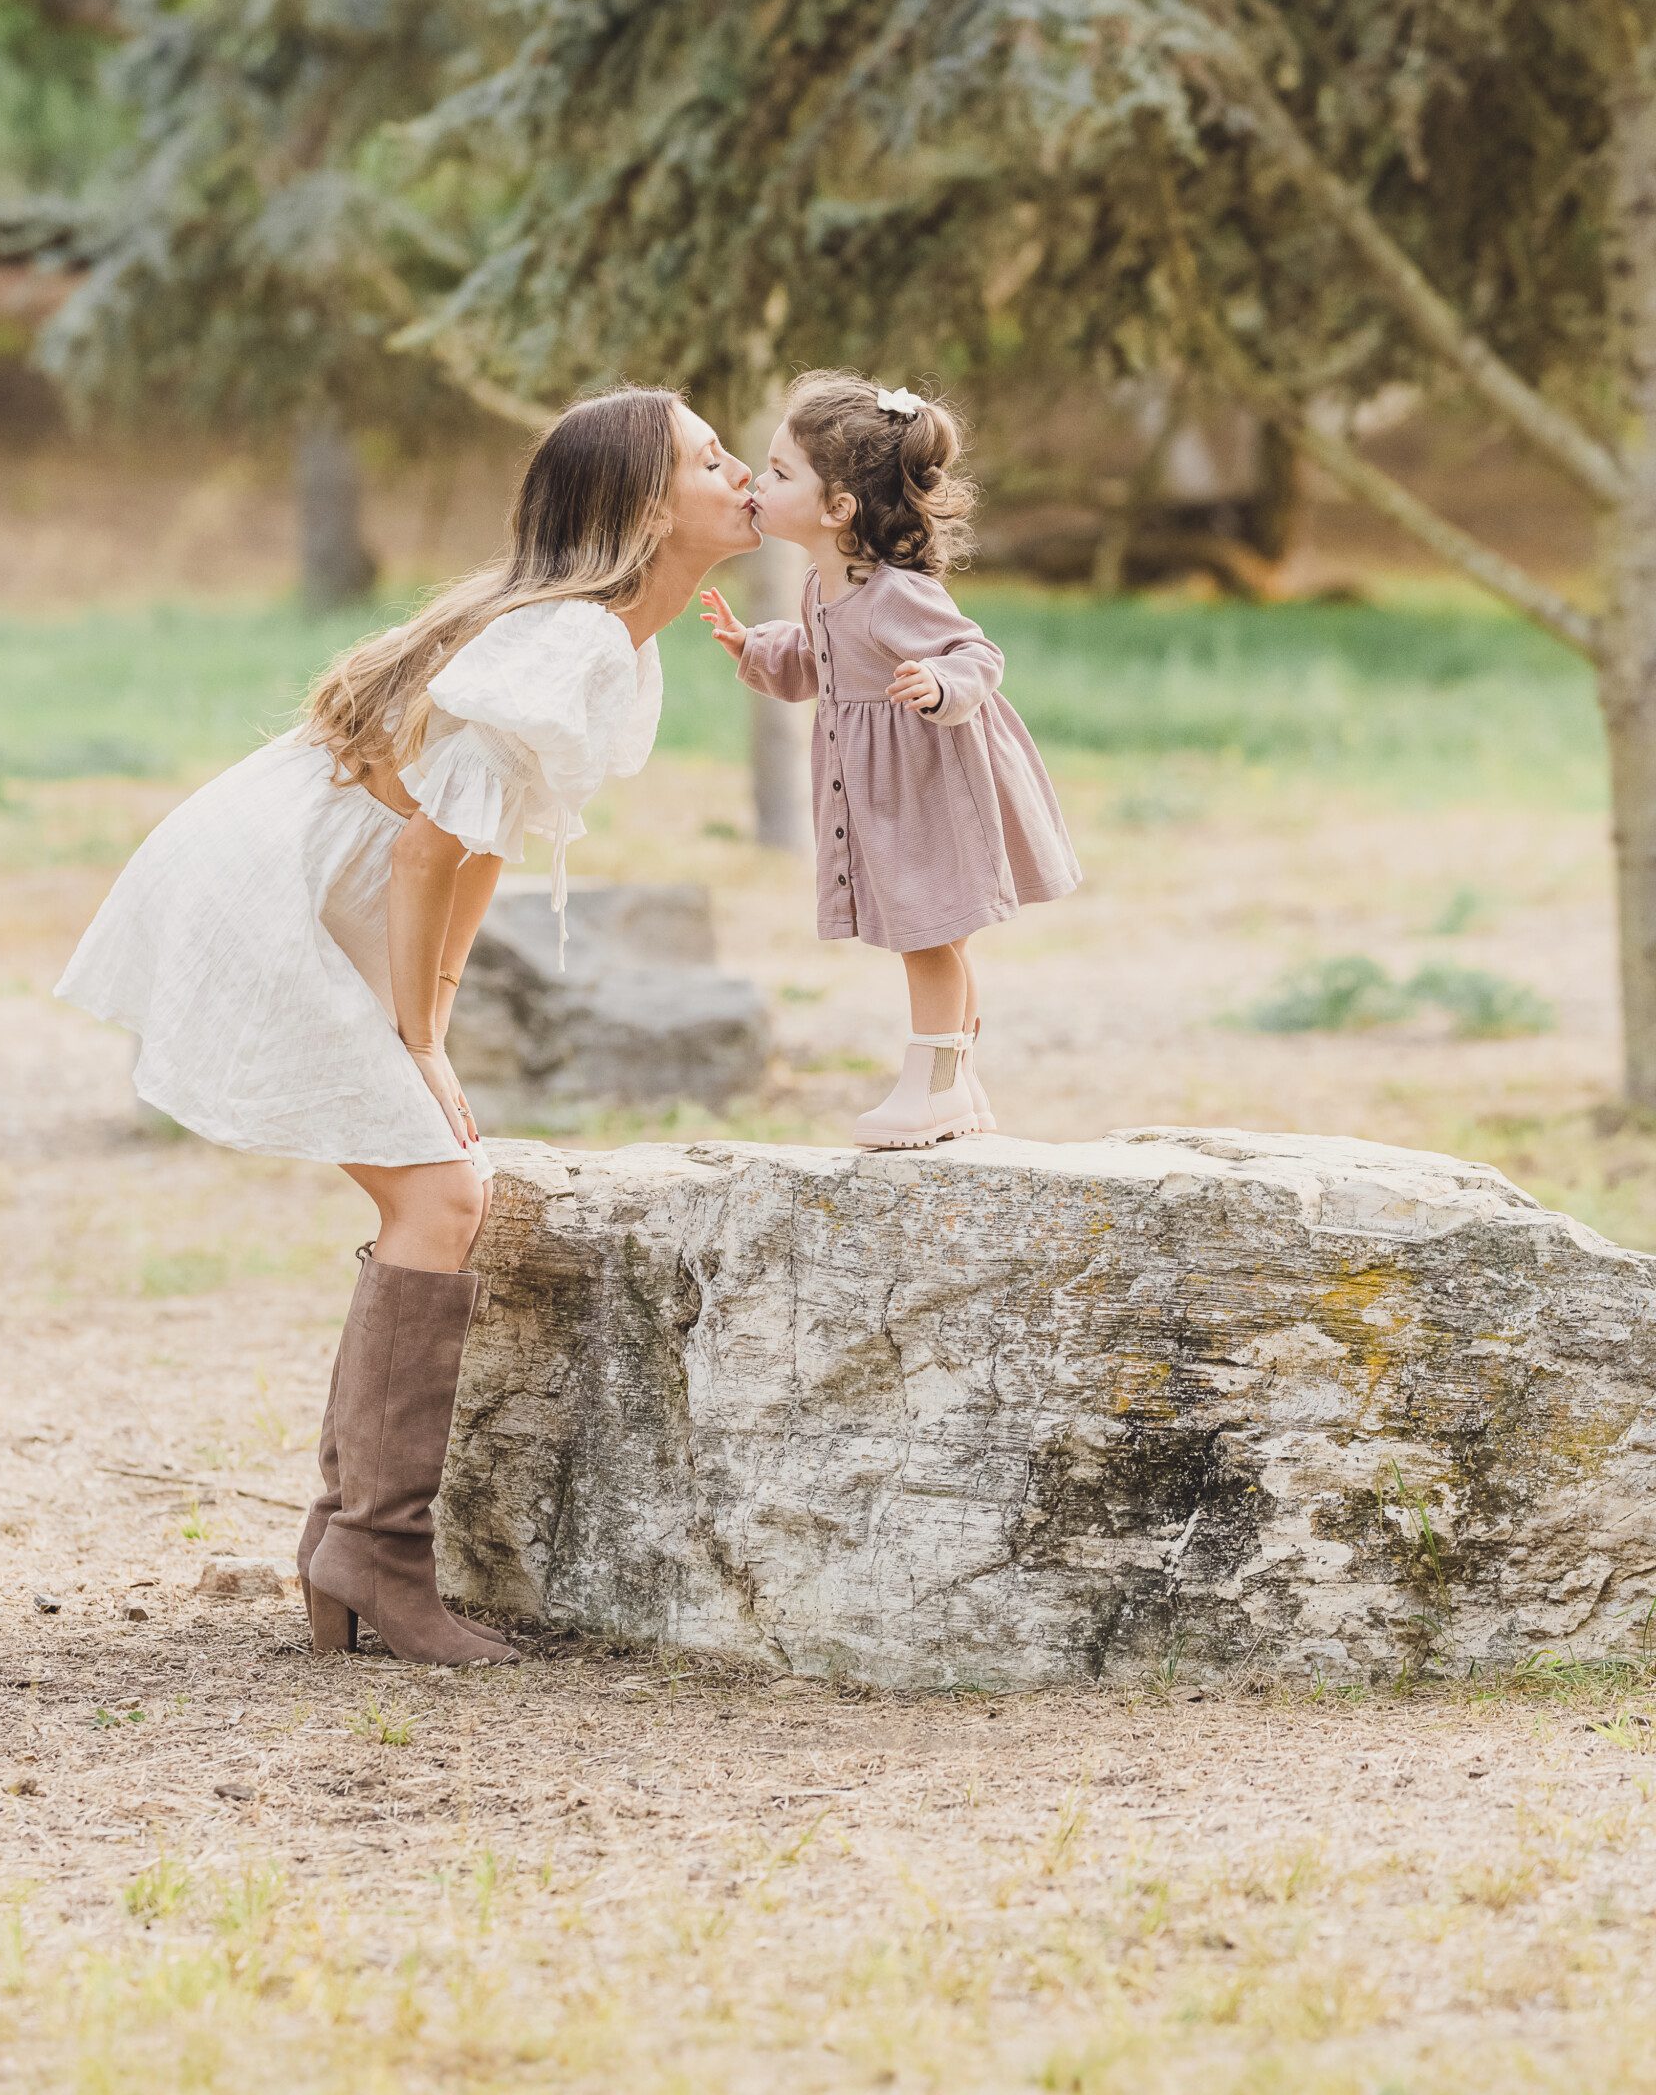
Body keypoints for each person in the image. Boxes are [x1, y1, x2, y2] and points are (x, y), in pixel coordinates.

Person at [57, 388, 758, 1665]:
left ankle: (347, 1542)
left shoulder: (615, 646)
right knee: (440, 1197)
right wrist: (417, 1043)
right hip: (277, 876)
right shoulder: (577, 644)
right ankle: (376, 1554)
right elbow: (433, 847)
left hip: (313, 871)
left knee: (443, 1188)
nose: (745, 470)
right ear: (650, 509)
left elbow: (482, 845)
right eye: (713, 458)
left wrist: (428, 1020)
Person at [702, 369, 1079, 1148]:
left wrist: (941, 682)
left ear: (838, 508)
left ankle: (933, 1083)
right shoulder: (822, 588)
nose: (758, 483)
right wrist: (757, 645)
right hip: (892, 789)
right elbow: (820, 662)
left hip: (928, 784)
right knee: (938, 937)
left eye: (778, 473)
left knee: (927, 935)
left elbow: (975, 653)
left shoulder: (894, 592)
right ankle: (958, 1085)